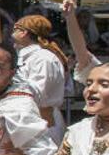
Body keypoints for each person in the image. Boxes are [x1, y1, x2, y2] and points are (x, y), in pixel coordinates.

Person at [12, 14, 68, 142]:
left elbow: (38, 93)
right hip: (25, 118)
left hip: (42, 120)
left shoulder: (42, 58)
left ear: (23, 33)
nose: (11, 33)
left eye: (15, 29)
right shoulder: (27, 57)